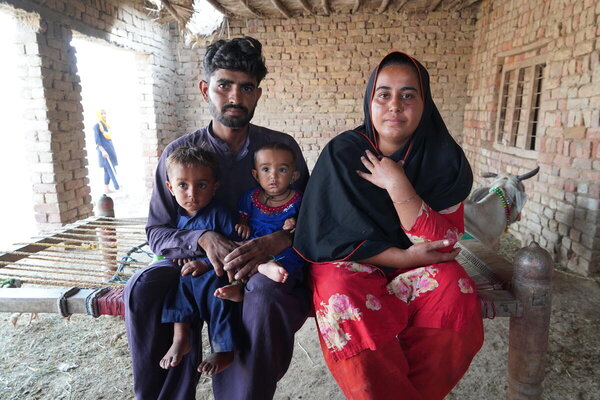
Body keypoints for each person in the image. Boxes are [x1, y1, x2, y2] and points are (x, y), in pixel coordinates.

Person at [124, 36, 310, 400]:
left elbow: (311, 217)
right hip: (188, 263)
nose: (235, 98)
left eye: (246, 88)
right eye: (224, 85)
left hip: (258, 264)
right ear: (206, 89)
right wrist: (201, 238)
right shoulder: (178, 153)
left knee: (266, 293)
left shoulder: (280, 150)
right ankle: (166, 393)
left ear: (257, 94)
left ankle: (242, 393)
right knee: (143, 287)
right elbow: (157, 232)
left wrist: (280, 239)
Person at [294, 51, 484, 400]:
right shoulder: (343, 153)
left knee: (455, 291)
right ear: (370, 101)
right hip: (353, 266)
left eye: (408, 95)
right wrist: (402, 257)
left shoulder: (444, 160)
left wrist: (398, 186)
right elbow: (328, 239)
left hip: (418, 263)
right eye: (384, 94)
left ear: (424, 103)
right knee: (339, 295)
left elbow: (440, 245)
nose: (395, 105)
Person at [159, 146, 241, 376]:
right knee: (175, 291)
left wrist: (204, 263)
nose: (191, 193)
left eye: (201, 185)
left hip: (215, 275)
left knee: (220, 299)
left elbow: (232, 248)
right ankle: (181, 338)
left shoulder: (220, 214)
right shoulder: (175, 218)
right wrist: (177, 253)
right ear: (170, 188)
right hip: (188, 277)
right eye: (182, 185)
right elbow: (165, 247)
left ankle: (224, 349)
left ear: (214, 187)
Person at [215, 142, 305, 302]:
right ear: (256, 175)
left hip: (281, 245)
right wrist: (242, 224)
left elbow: (306, 221)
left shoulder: (298, 199)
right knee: (238, 253)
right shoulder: (250, 196)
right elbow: (243, 216)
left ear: (294, 176)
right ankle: (237, 286)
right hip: (254, 238)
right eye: (266, 169)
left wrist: (295, 221)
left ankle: (266, 267)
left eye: (282, 170)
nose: (273, 176)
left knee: (291, 256)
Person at [93, 109, 120, 193]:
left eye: (105, 113)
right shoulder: (97, 126)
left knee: (107, 170)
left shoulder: (106, 125)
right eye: (102, 114)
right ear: (99, 115)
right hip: (104, 150)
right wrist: (102, 151)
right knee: (111, 169)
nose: (104, 115)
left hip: (109, 148)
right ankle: (117, 187)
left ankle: (106, 188)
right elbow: (97, 140)